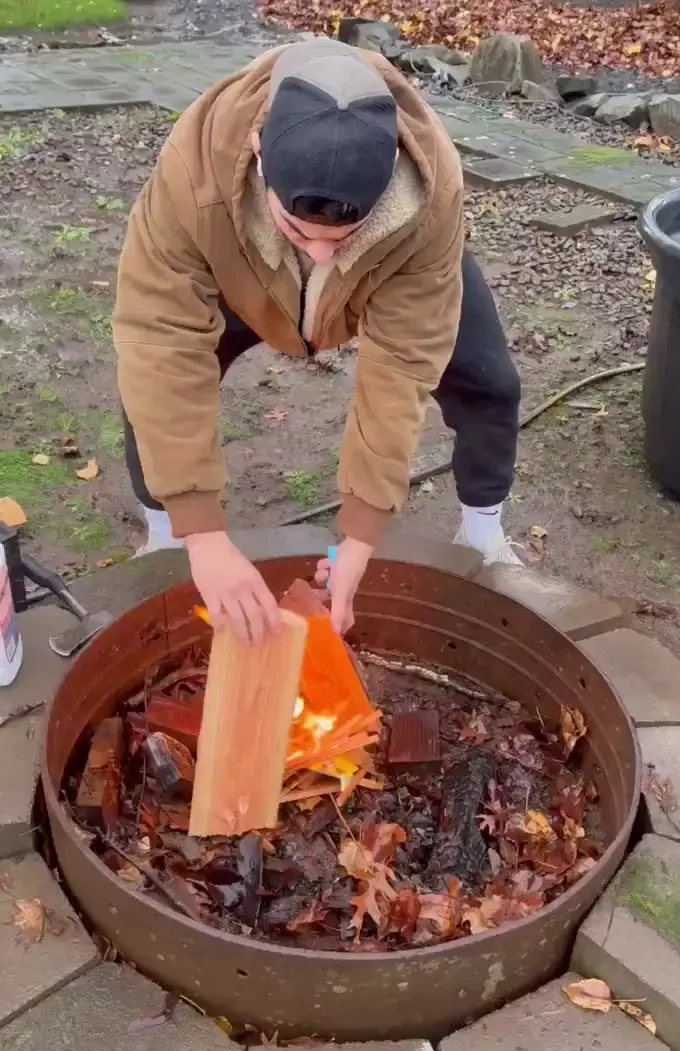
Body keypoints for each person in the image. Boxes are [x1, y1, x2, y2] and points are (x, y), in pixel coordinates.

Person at [113, 37, 522, 645]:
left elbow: (403, 363)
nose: (322, 255)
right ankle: (165, 540)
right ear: (258, 153)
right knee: (149, 390)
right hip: (243, 269)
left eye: (341, 238)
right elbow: (161, 343)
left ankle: (483, 533)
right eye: (301, 232)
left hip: (387, 269)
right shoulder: (193, 177)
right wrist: (202, 533)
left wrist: (361, 534)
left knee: (489, 383)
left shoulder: (429, 194)